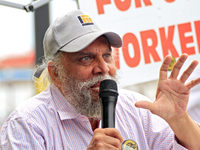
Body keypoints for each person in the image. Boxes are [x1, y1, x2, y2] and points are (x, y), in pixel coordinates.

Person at [0, 9, 200, 150]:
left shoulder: (136, 108)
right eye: (86, 58)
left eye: (106, 56)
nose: (103, 68)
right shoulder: (27, 123)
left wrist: (179, 120)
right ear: (56, 73)